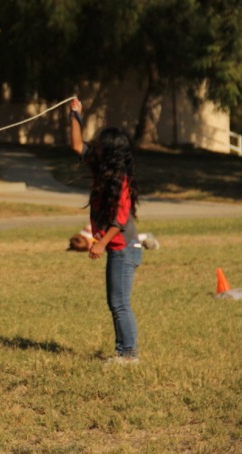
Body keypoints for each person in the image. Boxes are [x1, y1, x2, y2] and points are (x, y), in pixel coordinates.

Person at [69, 98, 142, 365]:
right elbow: (77, 145)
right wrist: (75, 115)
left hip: (125, 249)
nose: (94, 145)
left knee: (119, 303)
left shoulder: (121, 180)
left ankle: (129, 354)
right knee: (116, 302)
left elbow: (120, 220)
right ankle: (124, 351)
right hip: (118, 249)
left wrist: (100, 243)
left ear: (109, 151)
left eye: (99, 144)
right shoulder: (101, 170)